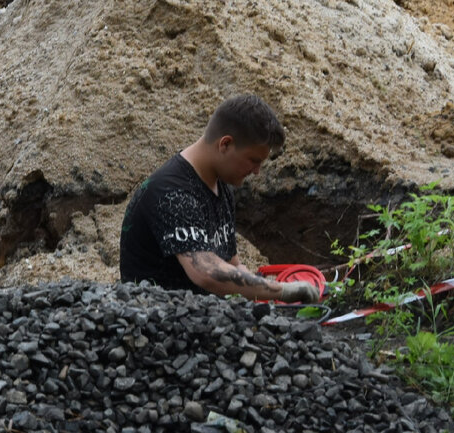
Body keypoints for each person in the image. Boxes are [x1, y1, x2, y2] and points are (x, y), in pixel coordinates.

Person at [119, 94, 320, 303]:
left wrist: (261, 293)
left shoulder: (220, 186)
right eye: (253, 160)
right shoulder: (172, 193)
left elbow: (232, 265)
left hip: (201, 316)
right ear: (225, 144)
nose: (257, 171)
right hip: (155, 320)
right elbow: (207, 271)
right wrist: (282, 290)